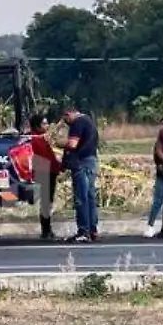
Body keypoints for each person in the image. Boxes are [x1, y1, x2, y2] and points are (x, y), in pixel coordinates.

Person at [60, 104, 99, 242]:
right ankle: (93, 229)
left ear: (68, 114)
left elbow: (72, 144)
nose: (66, 122)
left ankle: (83, 230)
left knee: (81, 198)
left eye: (65, 118)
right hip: (91, 160)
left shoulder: (77, 123)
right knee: (90, 197)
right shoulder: (89, 121)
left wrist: (57, 143)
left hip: (81, 162)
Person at [28, 113, 61, 240]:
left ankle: (47, 229)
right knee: (46, 203)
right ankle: (46, 230)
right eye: (44, 123)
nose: (47, 126)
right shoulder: (35, 139)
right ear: (37, 126)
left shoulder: (40, 138)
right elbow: (44, 157)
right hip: (45, 173)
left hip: (48, 172)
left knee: (47, 202)